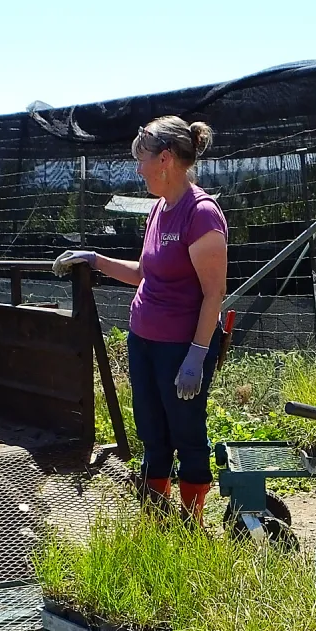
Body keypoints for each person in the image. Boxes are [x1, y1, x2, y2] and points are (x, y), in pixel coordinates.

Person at [54, 116, 227, 521]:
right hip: (144, 339)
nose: (138, 168)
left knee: (186, 430)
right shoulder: (158, 210)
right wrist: (95, 260)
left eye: (142, 160)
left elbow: (214, 293)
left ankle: (191, 520)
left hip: (180, 347)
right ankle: (155, 514)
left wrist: (196, 356)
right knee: (151, 430)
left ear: (165, 159)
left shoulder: (200, 214)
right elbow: (142, 274)